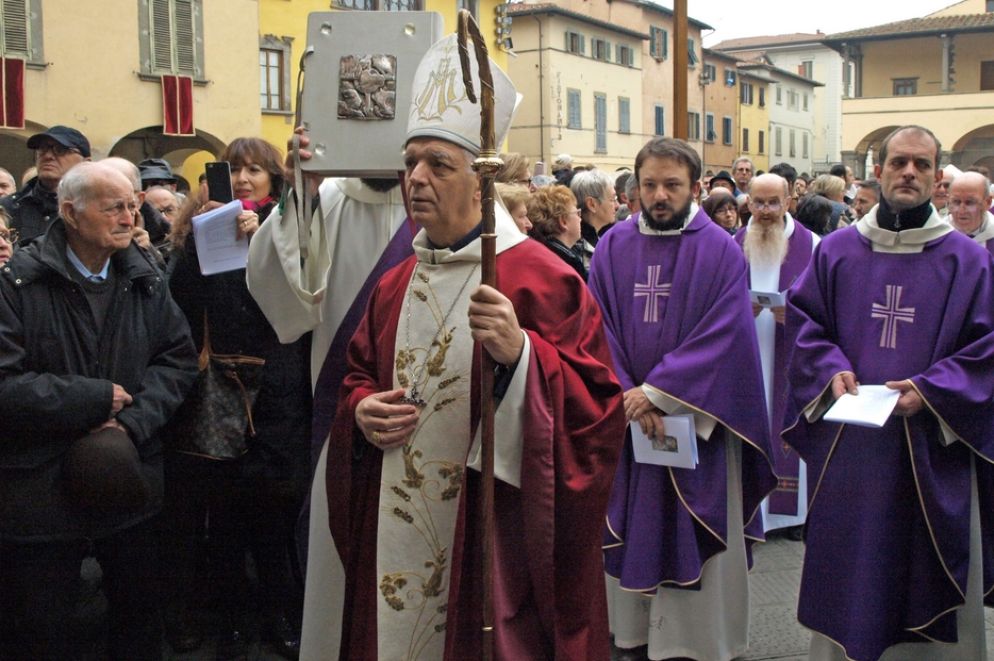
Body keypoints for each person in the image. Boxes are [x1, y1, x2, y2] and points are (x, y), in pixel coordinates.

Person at [326, 33, 624, 659]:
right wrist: (359, 409)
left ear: (482, 183)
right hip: (396, 525)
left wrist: (525, 358)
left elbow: (598, 410)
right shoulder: (392, 285)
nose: (416, 179)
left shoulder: (542, 278)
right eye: (410, 163)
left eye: (439, 164)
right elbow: (356, 374)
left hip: (491, 533)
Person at [783, 125, 994, 661]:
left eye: (922, 165)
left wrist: (931, 389)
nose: (909, 173)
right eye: (899, 162)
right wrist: (830, 372)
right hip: (853, 449)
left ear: (937, 179)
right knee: (852, 567)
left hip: (930, 446)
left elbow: (988, 347)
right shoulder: (837, 251)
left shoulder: (967, 260)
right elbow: (806, 324)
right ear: (877, 171)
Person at [0, 161, 198, 659]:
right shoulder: (17, 284)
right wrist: (91, 399)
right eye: (114, 207)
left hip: (128, 482)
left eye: (133, 205)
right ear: (70, 211)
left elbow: (177, 361)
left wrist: (131, 425)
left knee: (138, 620)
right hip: (38, 492)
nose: (130, 216)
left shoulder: (144, 279)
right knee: (44, 631)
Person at [588, 137, 775, 661]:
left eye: (672, 185)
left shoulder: (718, 249)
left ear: (695, 187)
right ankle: (631, 636)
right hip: (627, 422)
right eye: (649, 185)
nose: (660, 196)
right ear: (635, 189)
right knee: (629, 520)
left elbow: (726, 334)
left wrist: (655, 392)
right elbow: (595, 324)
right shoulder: (611, 247)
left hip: (698, 424)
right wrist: (625, 390)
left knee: (696, 527)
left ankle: (698, 642)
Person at [167, 137, 311, 659]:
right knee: (222, 512)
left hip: (277, 386)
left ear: (274, 177)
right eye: (233, 169)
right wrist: (199, 240)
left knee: (274, 507)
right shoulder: (197, 229)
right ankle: (227, 613)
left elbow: (301, 301)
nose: (245, 178)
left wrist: (264, 244)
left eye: (255, 169)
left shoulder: (289, 227)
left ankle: (279, 611)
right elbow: (182, 304)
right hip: (220, 385)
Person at [734, 174, 819, 539]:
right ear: (748, 203)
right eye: (759, 202)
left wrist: (795, 316)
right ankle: (749, 513)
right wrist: (738, 311)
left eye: (774, 202)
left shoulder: (814, 246)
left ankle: (788, 520)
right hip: (744, 361)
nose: (766, 211)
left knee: (786, 429)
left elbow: (827, 309)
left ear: (789, 202)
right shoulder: (730, 245)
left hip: (791, 361)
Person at [1, 126, 90, 242]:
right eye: (42, 149)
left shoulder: (94, 209)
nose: (48, 156)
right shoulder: (8, 208)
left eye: (60, 150)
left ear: (85, 163)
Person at [527, 184, 585, 278]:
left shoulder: (539, 252)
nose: (580, 219)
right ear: (563, 221)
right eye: (577, 213)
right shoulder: (568, 263)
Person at [571, 168, 619, 269]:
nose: (617, 205)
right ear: (592, 204)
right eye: (613, 199)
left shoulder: (603, 239)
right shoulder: (576, 249)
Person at [947, 171, 994, 253]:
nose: (961, 210)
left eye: (970, 202)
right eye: (956, 202)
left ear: (988, 202)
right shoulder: (938, 234)